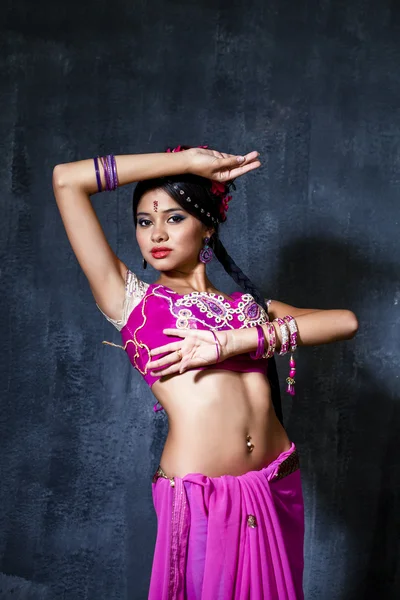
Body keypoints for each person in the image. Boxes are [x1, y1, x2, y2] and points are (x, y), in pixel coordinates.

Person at [52, 145, 358, 599]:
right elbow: (66, 180)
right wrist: (186, 164)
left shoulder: (247, 307)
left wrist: (232, 341)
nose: (156, 232)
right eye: (144, 221)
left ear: (208, 227)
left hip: (275, 484)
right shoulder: (132, 301)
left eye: (174, 218)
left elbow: (345, 322)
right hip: (201, 497)